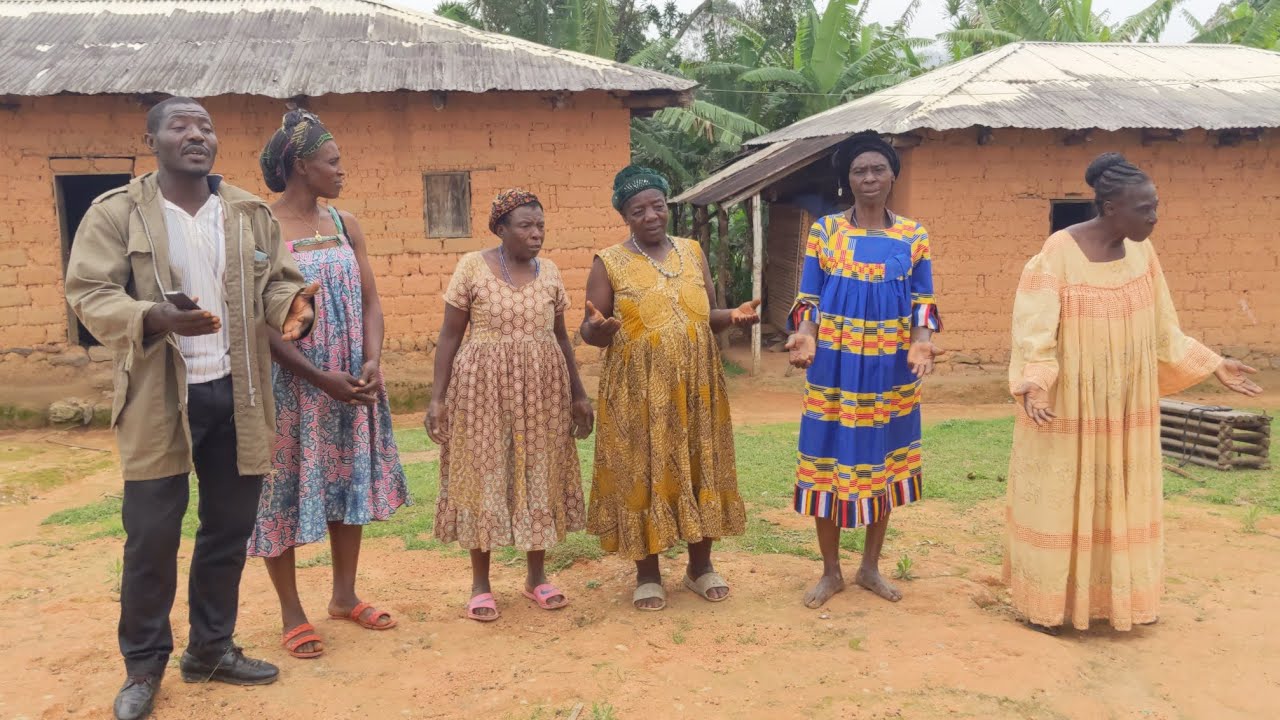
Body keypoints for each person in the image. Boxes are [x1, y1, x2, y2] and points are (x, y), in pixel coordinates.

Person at [64, 97, 319, 720]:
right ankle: (143, 666)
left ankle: (210, 649)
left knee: (228, 532)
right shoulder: (117, 213)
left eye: (205, 126)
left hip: (240, 392)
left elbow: (279, 280)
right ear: (152, 139)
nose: (196, 134)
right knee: (151, 536)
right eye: (180, 125)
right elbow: (89, 292)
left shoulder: (247, 213)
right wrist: (151, 315)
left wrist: (292, 307)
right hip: (159, 396)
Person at [1005, 152, 1263, 634]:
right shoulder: (1057, 254)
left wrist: (1213, 363)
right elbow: (1033, 331)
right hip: (1073, 405)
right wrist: (1036, 385)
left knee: (1119, 497)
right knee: (1070, 496)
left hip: (1127, 407)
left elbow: (1165, 331)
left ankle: (1111, 600)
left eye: (1156, 205)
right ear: (1109, 208)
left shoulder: (1144, 255)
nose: (1154, 217)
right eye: (1144, 208)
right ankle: (1053, 604)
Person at [247, 109, 409, 658]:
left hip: (351, 380)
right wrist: (319, 378)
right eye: (332, 161)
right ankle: (292, 613)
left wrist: (371, 360)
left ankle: (344, 596)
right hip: (293, 386)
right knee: (283, 489)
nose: (343, 171)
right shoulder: (262, 230)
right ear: (300, 164)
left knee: (347, 481)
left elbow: (370, 301)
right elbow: (258, 323)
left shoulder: (345, 224)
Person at [581, 165, 759, 612]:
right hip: (638, 389)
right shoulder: (609, 261)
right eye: (638, 210)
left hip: (698, 383)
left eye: (657, 206)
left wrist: (733, 315)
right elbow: (590, 327)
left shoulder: (692, 250)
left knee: (702, 463)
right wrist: (599, 330)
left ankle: (700, 567)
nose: (651, 216)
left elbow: (706, 314)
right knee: (644, 467)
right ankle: (647, 574)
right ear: (625, 215)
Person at [784, 132, 943, 610]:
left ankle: (870, 566)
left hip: (891, 369)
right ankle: (831, 572)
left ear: (893, 175)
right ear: (847, 179)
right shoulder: (825, 231)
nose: (868, 177)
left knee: (885, 458)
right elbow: (809, 296)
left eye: (877, 169)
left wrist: (921, 346)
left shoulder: (913, 235)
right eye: (859, 170)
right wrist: (806, 334)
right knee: (826, 456)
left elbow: (923, 302)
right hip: (834, 365)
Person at [427, 189, 592, 621]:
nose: (536, 233)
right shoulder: (471, 268)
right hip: (481, 389)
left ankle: (536, 576)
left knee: (538, 471)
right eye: (525, 225)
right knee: (484, 472)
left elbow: (560, 336)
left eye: (540, 225)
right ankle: (480, 584)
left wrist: (578, 393)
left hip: (542, 390)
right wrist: (437, 398)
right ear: (501, 229)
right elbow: (449, 336)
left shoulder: (551, 272)